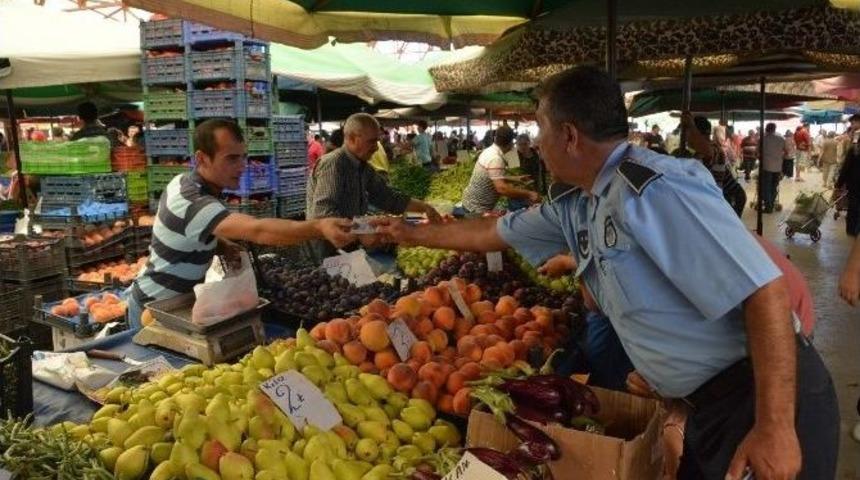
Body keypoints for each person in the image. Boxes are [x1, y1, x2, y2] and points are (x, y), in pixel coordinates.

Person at [373, 65, 838, 480]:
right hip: (709, 408)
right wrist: (407, 234)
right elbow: (489, 234)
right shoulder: (580, 202)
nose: (534, 143)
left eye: (540, 128)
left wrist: (775, 428)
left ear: (570, 136)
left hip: (765, 402)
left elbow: (767, 292)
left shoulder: (654, 192)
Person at [129, 119, 355, 327]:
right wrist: (318, 227)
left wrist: (222, 245)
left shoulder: (188, 183)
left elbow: (190, 230)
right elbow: (256, 229)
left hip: (177, 304)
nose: (242, 166)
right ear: (202, 158)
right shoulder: (192, 200)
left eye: (242, 157)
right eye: (231, 158)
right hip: (153, 309)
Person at [305, 113, 440, 262]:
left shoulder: (363, 167)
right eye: (372, 141)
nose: (376, 147)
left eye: (377, 140)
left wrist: (425, 208)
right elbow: (324, 216)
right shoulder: (334, 164)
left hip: (348, 244)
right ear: (351, 138)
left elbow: (388, 197)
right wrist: (363, 228)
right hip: (328, 250)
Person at [459, 126, 540, 215]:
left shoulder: (489, 151)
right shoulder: (496, 159)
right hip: (476, 209)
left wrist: (515, 179)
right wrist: (529, 194)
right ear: (510, 144)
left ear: (495, 138)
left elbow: (492, 176)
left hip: (470, 203)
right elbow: (502, 189)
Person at [683, 114, 746, 217]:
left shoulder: (715, 149)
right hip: (720, 199)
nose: (685, 137)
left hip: (731, 199)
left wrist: (691, 125)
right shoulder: (697, 154)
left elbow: (707, 151)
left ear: (697, 133)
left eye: (687, 132)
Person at [836, 133, 860, 237]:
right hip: (854, 183)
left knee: (853, 206)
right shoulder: (853, 150)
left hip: (854, 183)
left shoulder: (853, 150)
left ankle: (851, 230)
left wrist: (839, 183)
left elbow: (846, 168)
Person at [760, 122, 786, 213]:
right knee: (774, 186)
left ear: (766, 128)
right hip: (778, 167)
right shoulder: (781, 139)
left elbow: (757, 152)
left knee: (766, 187)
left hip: (766, 166)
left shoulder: (763, 139)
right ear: (774, 129)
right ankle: (771, 203)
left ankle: (769, 207)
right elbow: (786, 151)